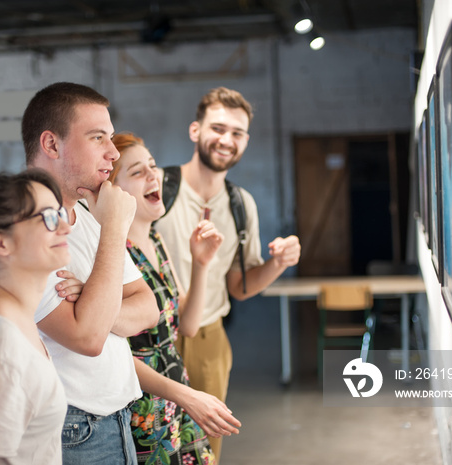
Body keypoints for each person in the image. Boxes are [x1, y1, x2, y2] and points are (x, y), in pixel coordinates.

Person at [156, 87, 302, 459]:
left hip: (209, 338)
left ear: (246, 141)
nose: (226, 140)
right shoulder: (157, 188)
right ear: (195, 130)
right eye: (218, 128)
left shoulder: (241, 204)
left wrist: (278, 263)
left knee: (204, 448)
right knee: (150, 443)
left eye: (237, 133)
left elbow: (239, 286)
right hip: (151, 336)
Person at [22, 82, 160, 465]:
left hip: (115, 418)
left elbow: (149, 308)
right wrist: (115, 228)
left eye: (111, 138)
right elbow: (87, 336)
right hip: (72, 428)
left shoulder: (85, 213)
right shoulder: (26, 224)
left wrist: (93, 303)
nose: (113, 153)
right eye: (98, 137)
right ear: (51, 145)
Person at [109, 132, 237, 465]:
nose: (154, 175)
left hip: (176, 396)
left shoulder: (156, 239)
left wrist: (201, 263)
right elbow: (113, 353)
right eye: (137, 172)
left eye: (152, 165)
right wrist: (185, 395)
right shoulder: (112, 255)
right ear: (113, 191)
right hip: (144, 411)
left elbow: (188, 325)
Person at [0, 170, 82, 464]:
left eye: (60, 213)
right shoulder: (1, 345)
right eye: (48, 217)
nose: (66, 227)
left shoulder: (11, 319)